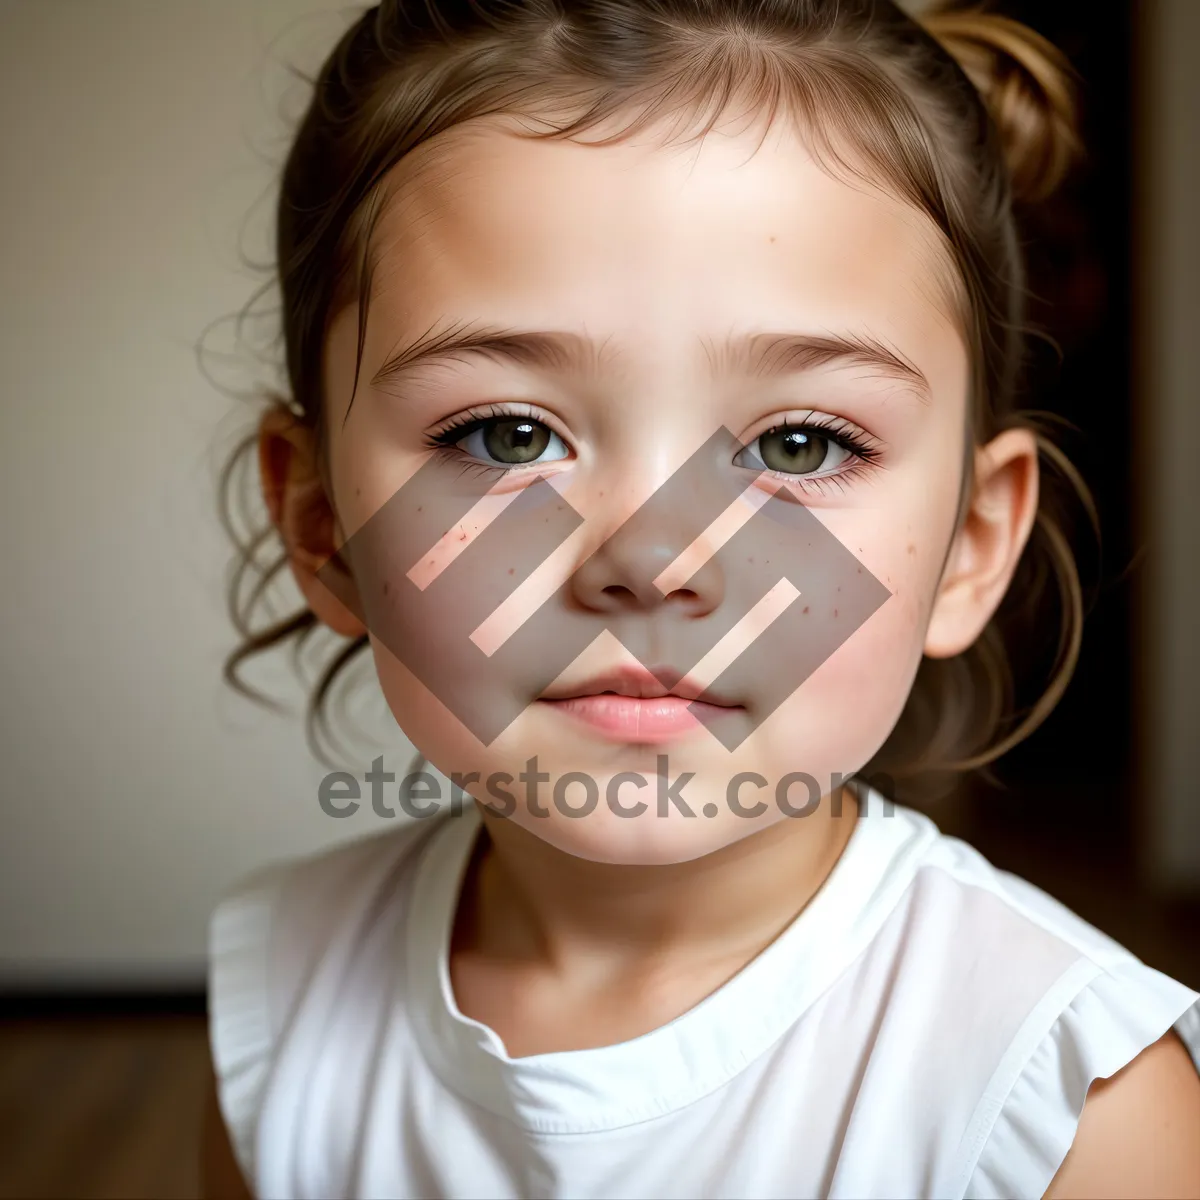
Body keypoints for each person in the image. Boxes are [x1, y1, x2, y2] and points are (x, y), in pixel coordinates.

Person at [202, 1, 1200, 1196]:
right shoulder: (278, 1003)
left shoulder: (1068, 1105)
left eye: (795, 446)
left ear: (971, 545)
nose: (653, 559)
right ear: (321, 524)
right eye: (509, 433)